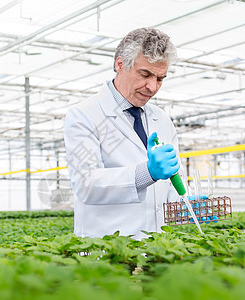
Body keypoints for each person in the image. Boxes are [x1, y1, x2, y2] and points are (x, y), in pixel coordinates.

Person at [64, 28, 182, 239]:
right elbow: (87, 184)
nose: (152, 87)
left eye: (160, 79)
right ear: (120, 64)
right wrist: (147, 173)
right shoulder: (83, 115)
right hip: (107, 250)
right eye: (145, 74)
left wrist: (185, 201)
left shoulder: (162, 120)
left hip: (157, 249)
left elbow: (170, 183)